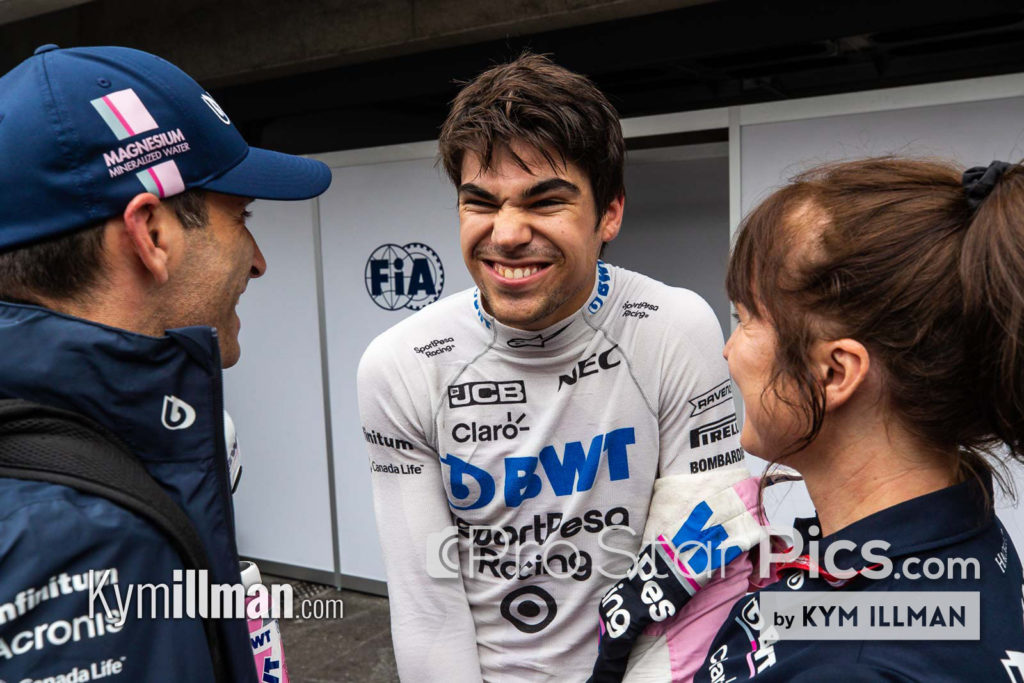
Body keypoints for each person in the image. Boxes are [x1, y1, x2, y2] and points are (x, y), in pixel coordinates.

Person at [357, 52, 751, 681]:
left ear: (610, 214)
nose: (507, 234)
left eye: (545, 201)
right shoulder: (401, 363)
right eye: (480, 202)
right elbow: (428, 607)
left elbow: (705, 565)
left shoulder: (673, 327)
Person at [0, 45, 330, 681]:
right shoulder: (77, 546)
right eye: (241, 217)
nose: (258, 261)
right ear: (152, 235)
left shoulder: (88, 468)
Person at [692, 157, 1024, 681]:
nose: (728, 351)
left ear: (834, 372)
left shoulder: (853, 666)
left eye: (747, 317)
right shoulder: (956, 531)